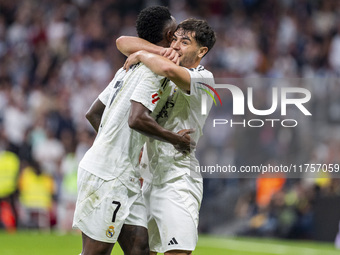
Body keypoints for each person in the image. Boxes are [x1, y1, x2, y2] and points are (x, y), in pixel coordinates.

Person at [73, 6, 195, 255]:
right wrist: (175, 140)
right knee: (96, 252)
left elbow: (93, 113)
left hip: (122, 174)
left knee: (140, 247)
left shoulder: (128, 65)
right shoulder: (156, 70)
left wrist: (116, 146)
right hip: (108, 176)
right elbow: (136, 119)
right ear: (170, 34)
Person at [119, 18, 216, 255]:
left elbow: (168, 69)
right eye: (174, 39)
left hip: (178, 179)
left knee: (177, 252)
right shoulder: (162, 67)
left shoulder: (204, 78)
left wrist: (142, 55)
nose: (176, 46)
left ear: (201, 51)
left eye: (185, 42)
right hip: (148, 179)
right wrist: (157, 50)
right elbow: (122, 42)